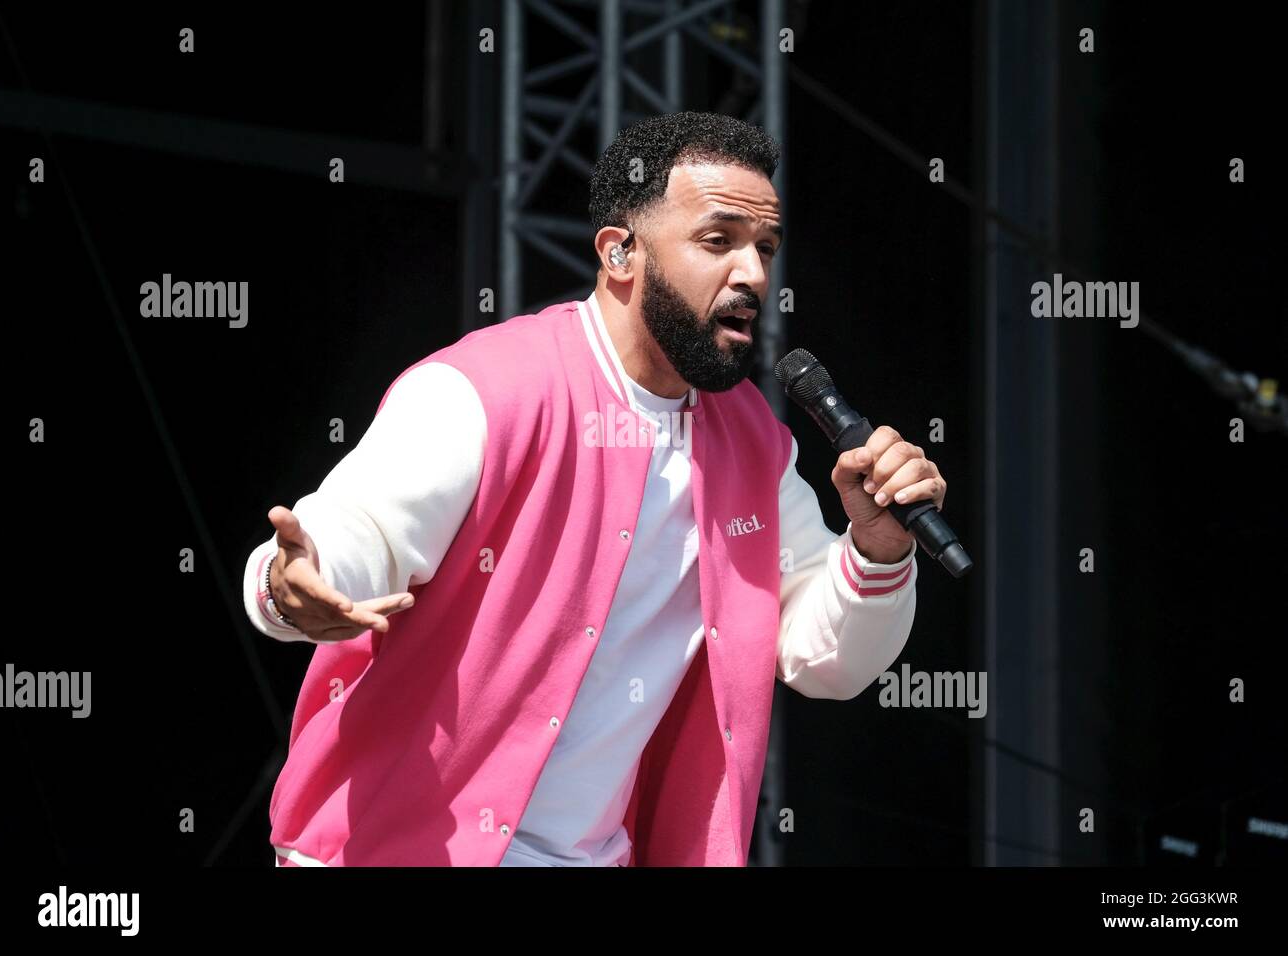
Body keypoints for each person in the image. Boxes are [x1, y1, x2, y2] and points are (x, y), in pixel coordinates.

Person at [244, 111, 948, 867]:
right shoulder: (487, 390)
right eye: (719, 241)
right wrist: (295, 583)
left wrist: (877, 549)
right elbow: (356, 533)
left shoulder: (751, 444)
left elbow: (826, 661)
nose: (753, 274)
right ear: (621, 252)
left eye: (765, 248)